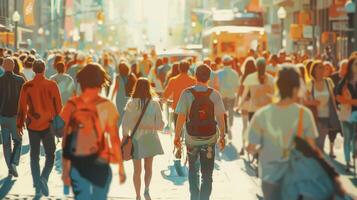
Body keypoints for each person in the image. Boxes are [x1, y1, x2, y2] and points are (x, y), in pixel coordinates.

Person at [246, 66, 319, 200]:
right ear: (296, 88)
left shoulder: (262, 114)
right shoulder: (304, 114)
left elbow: (250, 148)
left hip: (270, 177)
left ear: (277, 86)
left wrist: (261, 148)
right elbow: (312, 149)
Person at [61, 63, 126, 200]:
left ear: (81, 82)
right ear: (101, 82)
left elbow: (66, 139)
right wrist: (120, 167)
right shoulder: (107, 106)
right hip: (100, 161)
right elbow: (114, 138)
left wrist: (65, 170)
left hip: (78, 162)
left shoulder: (72, 105)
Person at [174, 64, 226, 200]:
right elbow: (221, 117)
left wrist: (177, 136)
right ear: (209, 77)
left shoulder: (186, 93)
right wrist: (223, 136)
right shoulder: (215, 94)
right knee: (207, 175)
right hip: (209, 139)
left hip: (191, 138)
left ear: (195, 76)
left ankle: (194, 197)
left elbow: (181, 117)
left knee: (193, 170)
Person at [17, 59, 62, 197]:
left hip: (32, 124)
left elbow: (22, 106)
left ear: (34, 70)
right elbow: (59, 107)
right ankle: (44, 178)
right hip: (48, 124)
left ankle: (37, 183)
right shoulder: (52, 85)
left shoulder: (27, 85)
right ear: (44, 69)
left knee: (34, 155)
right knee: (50, 154)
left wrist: (20, 124)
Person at [122, 78, 164, 200]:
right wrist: (149, 126)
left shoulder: (130, 103)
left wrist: (124, 139)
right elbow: (161, 125)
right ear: (149, 88)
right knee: (149, 167)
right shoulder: (155, 103)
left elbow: (125, 125)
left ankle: (137, 195)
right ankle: (146, 189)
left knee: (137, 170)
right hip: (151, 137)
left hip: (136, 139)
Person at [305, 60, 340, 152]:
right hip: (314, 117)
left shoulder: (328, 82)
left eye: (323, 67)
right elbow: (303, 101)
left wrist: (336, 112)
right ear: (314, 70)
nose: (323, 69)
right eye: (320, 67)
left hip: (326, 116)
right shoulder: (309, 84)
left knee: (321, 143)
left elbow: (332, 98)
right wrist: (312, 102)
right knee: (315, 143)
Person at [0, 58, 25, 177]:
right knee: (18, 141)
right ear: (14, 66)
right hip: (16, 116)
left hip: (3, 116)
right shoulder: (20, 80)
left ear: (3, 66)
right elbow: (25, 100)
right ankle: (14, 163)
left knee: (6, 143)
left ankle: (10, 167)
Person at [335, 55, 357, 172]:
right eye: (356, 64)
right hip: (347, 114)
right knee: (347, 138)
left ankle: (354, 155)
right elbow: (337, 97)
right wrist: (350, 101)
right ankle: (348, 161)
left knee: (355, 138)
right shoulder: (344, 81)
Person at [163, 60, 196, 125]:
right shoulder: (193, 80)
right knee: (189, 128)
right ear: (188, 68)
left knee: (178, 128)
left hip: (177, 108)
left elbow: (166, 94)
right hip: (190, 108)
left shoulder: (173, 80)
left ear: (179, 68)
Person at [215, 55, 240, 138]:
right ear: (231, 63)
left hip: (221, 95)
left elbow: (216, 85)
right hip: (231, 95)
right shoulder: (235, 73)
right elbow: (237, 86)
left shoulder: (218, 73)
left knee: (223, 112)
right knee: (231, 111)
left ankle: (224, 127)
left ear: (223, 63)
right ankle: (230, 126)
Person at [237, 57, 257, 155]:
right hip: (255, 104)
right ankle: (252, 145)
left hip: (245, 103)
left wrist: (238, 104)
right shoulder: (257, 78)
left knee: (244, 126)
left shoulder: (243, 78)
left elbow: (240, 92)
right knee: (253, 126)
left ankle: (243, 146)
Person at [112, 62, 137, 126]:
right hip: (129, 98)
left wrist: (112, 97)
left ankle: (117, 129)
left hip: (120, 98)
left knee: (120, 114)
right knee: (129, 115)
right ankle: (127, 131)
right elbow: (136, 85)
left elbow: (115, 88)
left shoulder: (118, 77)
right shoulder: (132, 76)